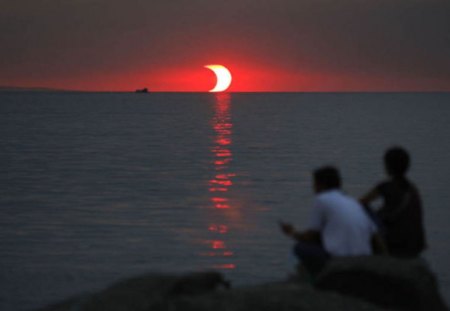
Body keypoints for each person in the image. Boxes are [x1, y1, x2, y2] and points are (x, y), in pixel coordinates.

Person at [280, 166, 384, 277]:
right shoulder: (352, 202)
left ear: (321, 185)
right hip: (364, 258)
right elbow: (376, 236)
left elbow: (311, 237)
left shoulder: (322, 199)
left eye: (314, 184)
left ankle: (315, 280)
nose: (313, 187)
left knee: (299, 248)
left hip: (341, 261)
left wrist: (292, 232)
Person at [360, 147, 426, 258]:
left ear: (387, 166)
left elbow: (360, 203)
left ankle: (379, 250)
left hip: (395, 240)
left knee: (364, 210)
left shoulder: (386, 186)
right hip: (416, 243)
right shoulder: (413, 189)